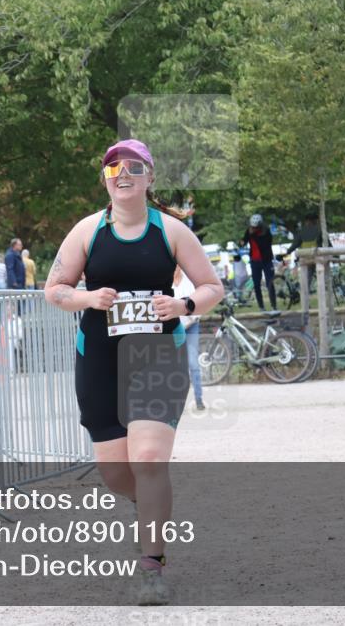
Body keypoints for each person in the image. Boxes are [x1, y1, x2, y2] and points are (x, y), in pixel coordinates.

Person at [43, 139, 223, 605]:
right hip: (99, 357)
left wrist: (181, 304)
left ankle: (151, 568)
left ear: (149, 177)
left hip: (156, 354)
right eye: (112, 167)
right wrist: (88, 298)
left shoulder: (172, 231)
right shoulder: (87, 231)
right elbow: (55, 289)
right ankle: (150, 511)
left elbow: (211, 287)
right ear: (105, 179)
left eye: (133, 166)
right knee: (116, 472)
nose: (122, 173)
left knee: (148, 459)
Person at [172, 265, 204, 411]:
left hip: (191, 326)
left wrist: (188, 321)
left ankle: (199, 399)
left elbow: (197, 305)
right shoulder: (165, 282)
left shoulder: (189, 281)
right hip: (174, 328)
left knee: (193, 363)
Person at [240, 214, 277, 311]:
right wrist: (242, 242)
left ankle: (274, 305)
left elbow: (264, 243)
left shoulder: (266, 232)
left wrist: (253, 234)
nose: (253, 228)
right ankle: (261, 306)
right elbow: (245, 239)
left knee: (270, 283)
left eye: (255, 227)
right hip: (254, 261)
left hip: (266, 260)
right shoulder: (250, 231)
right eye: (252, 227)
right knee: (256, 284)